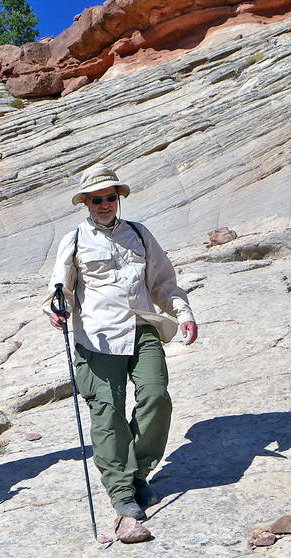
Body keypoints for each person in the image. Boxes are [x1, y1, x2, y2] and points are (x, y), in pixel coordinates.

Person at [44, 165, 198, 526]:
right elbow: (60, 290)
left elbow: (163, 282)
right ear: (85, 202)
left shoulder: (140, 235)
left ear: (119, 198)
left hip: (141, 326)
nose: (104, 204)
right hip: (97, 338)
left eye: (110, 197)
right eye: (96, 199)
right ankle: (121, 490)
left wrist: (184, 312)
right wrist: (57, 310)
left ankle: (138, 470)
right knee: (108, 413)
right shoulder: (75, 241)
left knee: (156, 396)